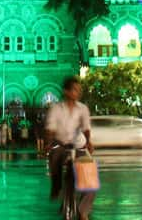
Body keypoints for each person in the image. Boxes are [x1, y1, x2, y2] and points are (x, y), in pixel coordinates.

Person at [45, 76, 95, 220]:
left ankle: (83, 210)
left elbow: (86, 128)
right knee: (54, 158)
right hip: (61, 145)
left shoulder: (83, 108)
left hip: (78, 145)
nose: (77, 92)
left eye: (79, 90)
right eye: (74, 90)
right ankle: (56, 186)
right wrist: (48, 144)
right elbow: (50, 129)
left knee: (90, 179)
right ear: (66, 91)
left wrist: (89, 142)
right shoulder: (56, 108)